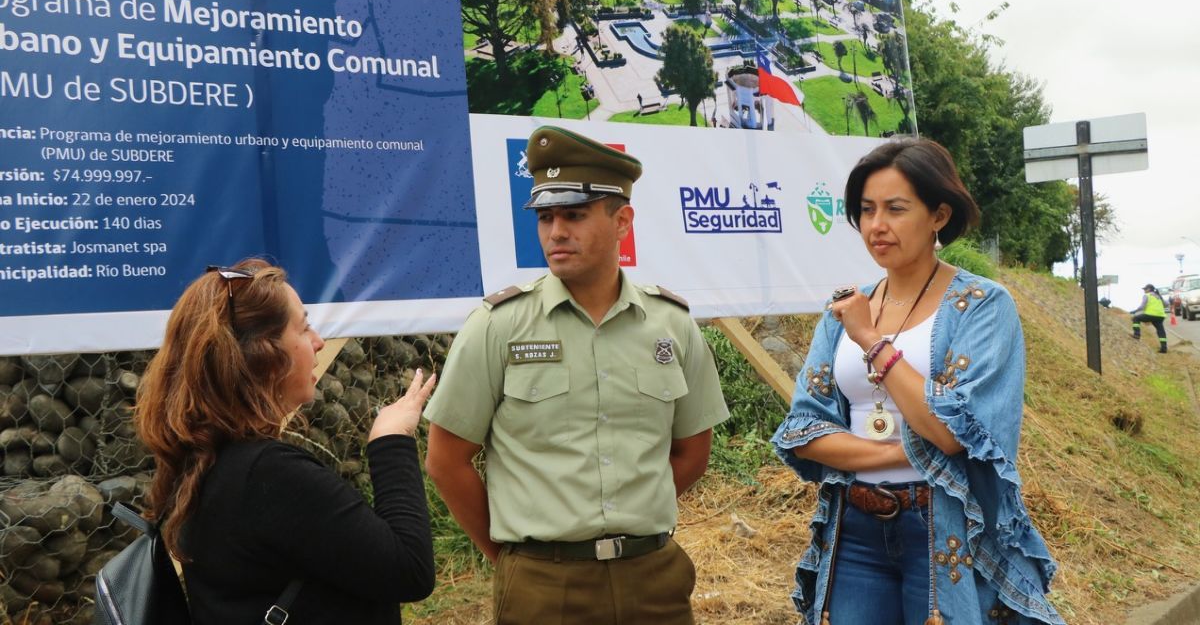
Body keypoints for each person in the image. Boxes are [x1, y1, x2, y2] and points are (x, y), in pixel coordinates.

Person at [424, 126, 729, 625]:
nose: (556, 232)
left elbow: (693, 451)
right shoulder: (499, 326)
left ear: (622, 221)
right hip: (543, 586)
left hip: (652, 578)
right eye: (545, 218)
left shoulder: (670, 323)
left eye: (574, 215)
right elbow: (446, 460)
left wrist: (632, 510)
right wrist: (514, 559)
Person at [771, 138, 1064, 625]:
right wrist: (906, 452)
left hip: (944, 525)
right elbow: (805, 430)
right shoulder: (845, 307)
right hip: (855, 527)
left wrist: (870, 339)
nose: (876, 225)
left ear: (938, 215)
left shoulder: (983, 305)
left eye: (895, 208)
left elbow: (954, 429)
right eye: (866, 210)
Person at [135, 258, 436, 624]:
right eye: (304, 327)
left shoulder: (208, 458)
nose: (319, 342)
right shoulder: (270, 476)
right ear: (265, 352)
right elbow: (409, 570)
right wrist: (391, 440)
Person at [1130, 283, 1168, 353]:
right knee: (1161, 331)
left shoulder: (1147, 295)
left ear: (1149, 289)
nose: (1144, 290)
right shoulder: (1158, 296)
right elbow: (1166, 304)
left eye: (1145, 289)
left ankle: (1137, 334)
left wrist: (1134, 311)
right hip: (1160, 316)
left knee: (1136, 318)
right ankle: (1164, 348)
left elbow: (1142, 307)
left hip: (1150, 315)